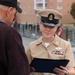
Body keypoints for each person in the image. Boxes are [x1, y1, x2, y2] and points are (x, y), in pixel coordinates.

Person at [26, 9, 75, 75]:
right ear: (40, 24)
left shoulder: (65, 45)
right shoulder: (32, 46)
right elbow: (23, 67)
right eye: (45, 26)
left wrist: (66, 72)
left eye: (51, 27)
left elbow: (72, 70)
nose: (48, 29)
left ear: (56, 27)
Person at [0, 0, 30, 75]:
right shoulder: (9, 33)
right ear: (9, 11)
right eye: (15, 14)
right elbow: (18, 70)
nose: (14, 18)